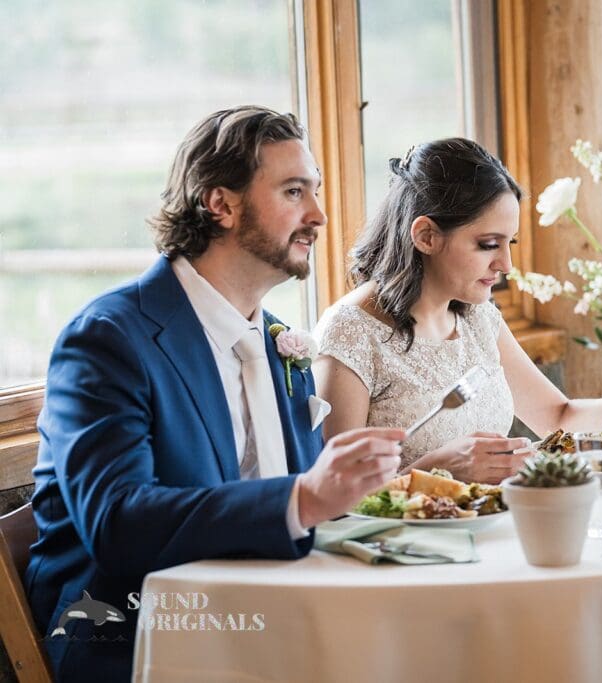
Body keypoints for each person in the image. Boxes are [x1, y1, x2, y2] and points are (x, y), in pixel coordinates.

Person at [27, 106, 405, 682]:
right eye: (294, 191)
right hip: (140, 641)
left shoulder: (279, 338)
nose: (319, 216)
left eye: (316, 191)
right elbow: (118, 524)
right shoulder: (109, 339)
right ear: (221, 204)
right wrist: (303, 498)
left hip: (272, 619)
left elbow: (291, 511)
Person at [313, 138, 602, 484]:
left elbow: (556, 417)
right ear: (426, 236)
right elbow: (337, 492)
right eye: (488, 244)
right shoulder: (351, 333)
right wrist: (435, 470)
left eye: (509, 242)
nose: (506, 264)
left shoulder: (476, 317)